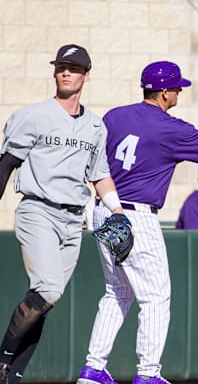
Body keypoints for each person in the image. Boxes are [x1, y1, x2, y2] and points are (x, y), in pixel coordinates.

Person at [76, 61, 198, 384]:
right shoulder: (172, 128)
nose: (179, 91)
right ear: (164, 92)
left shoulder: (115, 116)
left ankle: (93, 370)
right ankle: (148, 374)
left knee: (116, 292)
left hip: (104, 208)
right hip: (137, 215)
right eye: (176, 87)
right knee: (155, 297)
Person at [0, 44, 127, 384]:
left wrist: (117, 210)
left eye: (73, 68)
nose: (65, 72)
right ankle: (3, 360)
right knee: (48, 290)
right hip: (38, 210)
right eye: (60, 67)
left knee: (46, 300)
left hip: (73, 220)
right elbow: (6, 164)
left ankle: (14, 375)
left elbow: (99, 175)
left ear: (86, 74)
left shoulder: (95, 127)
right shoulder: (33, 116)